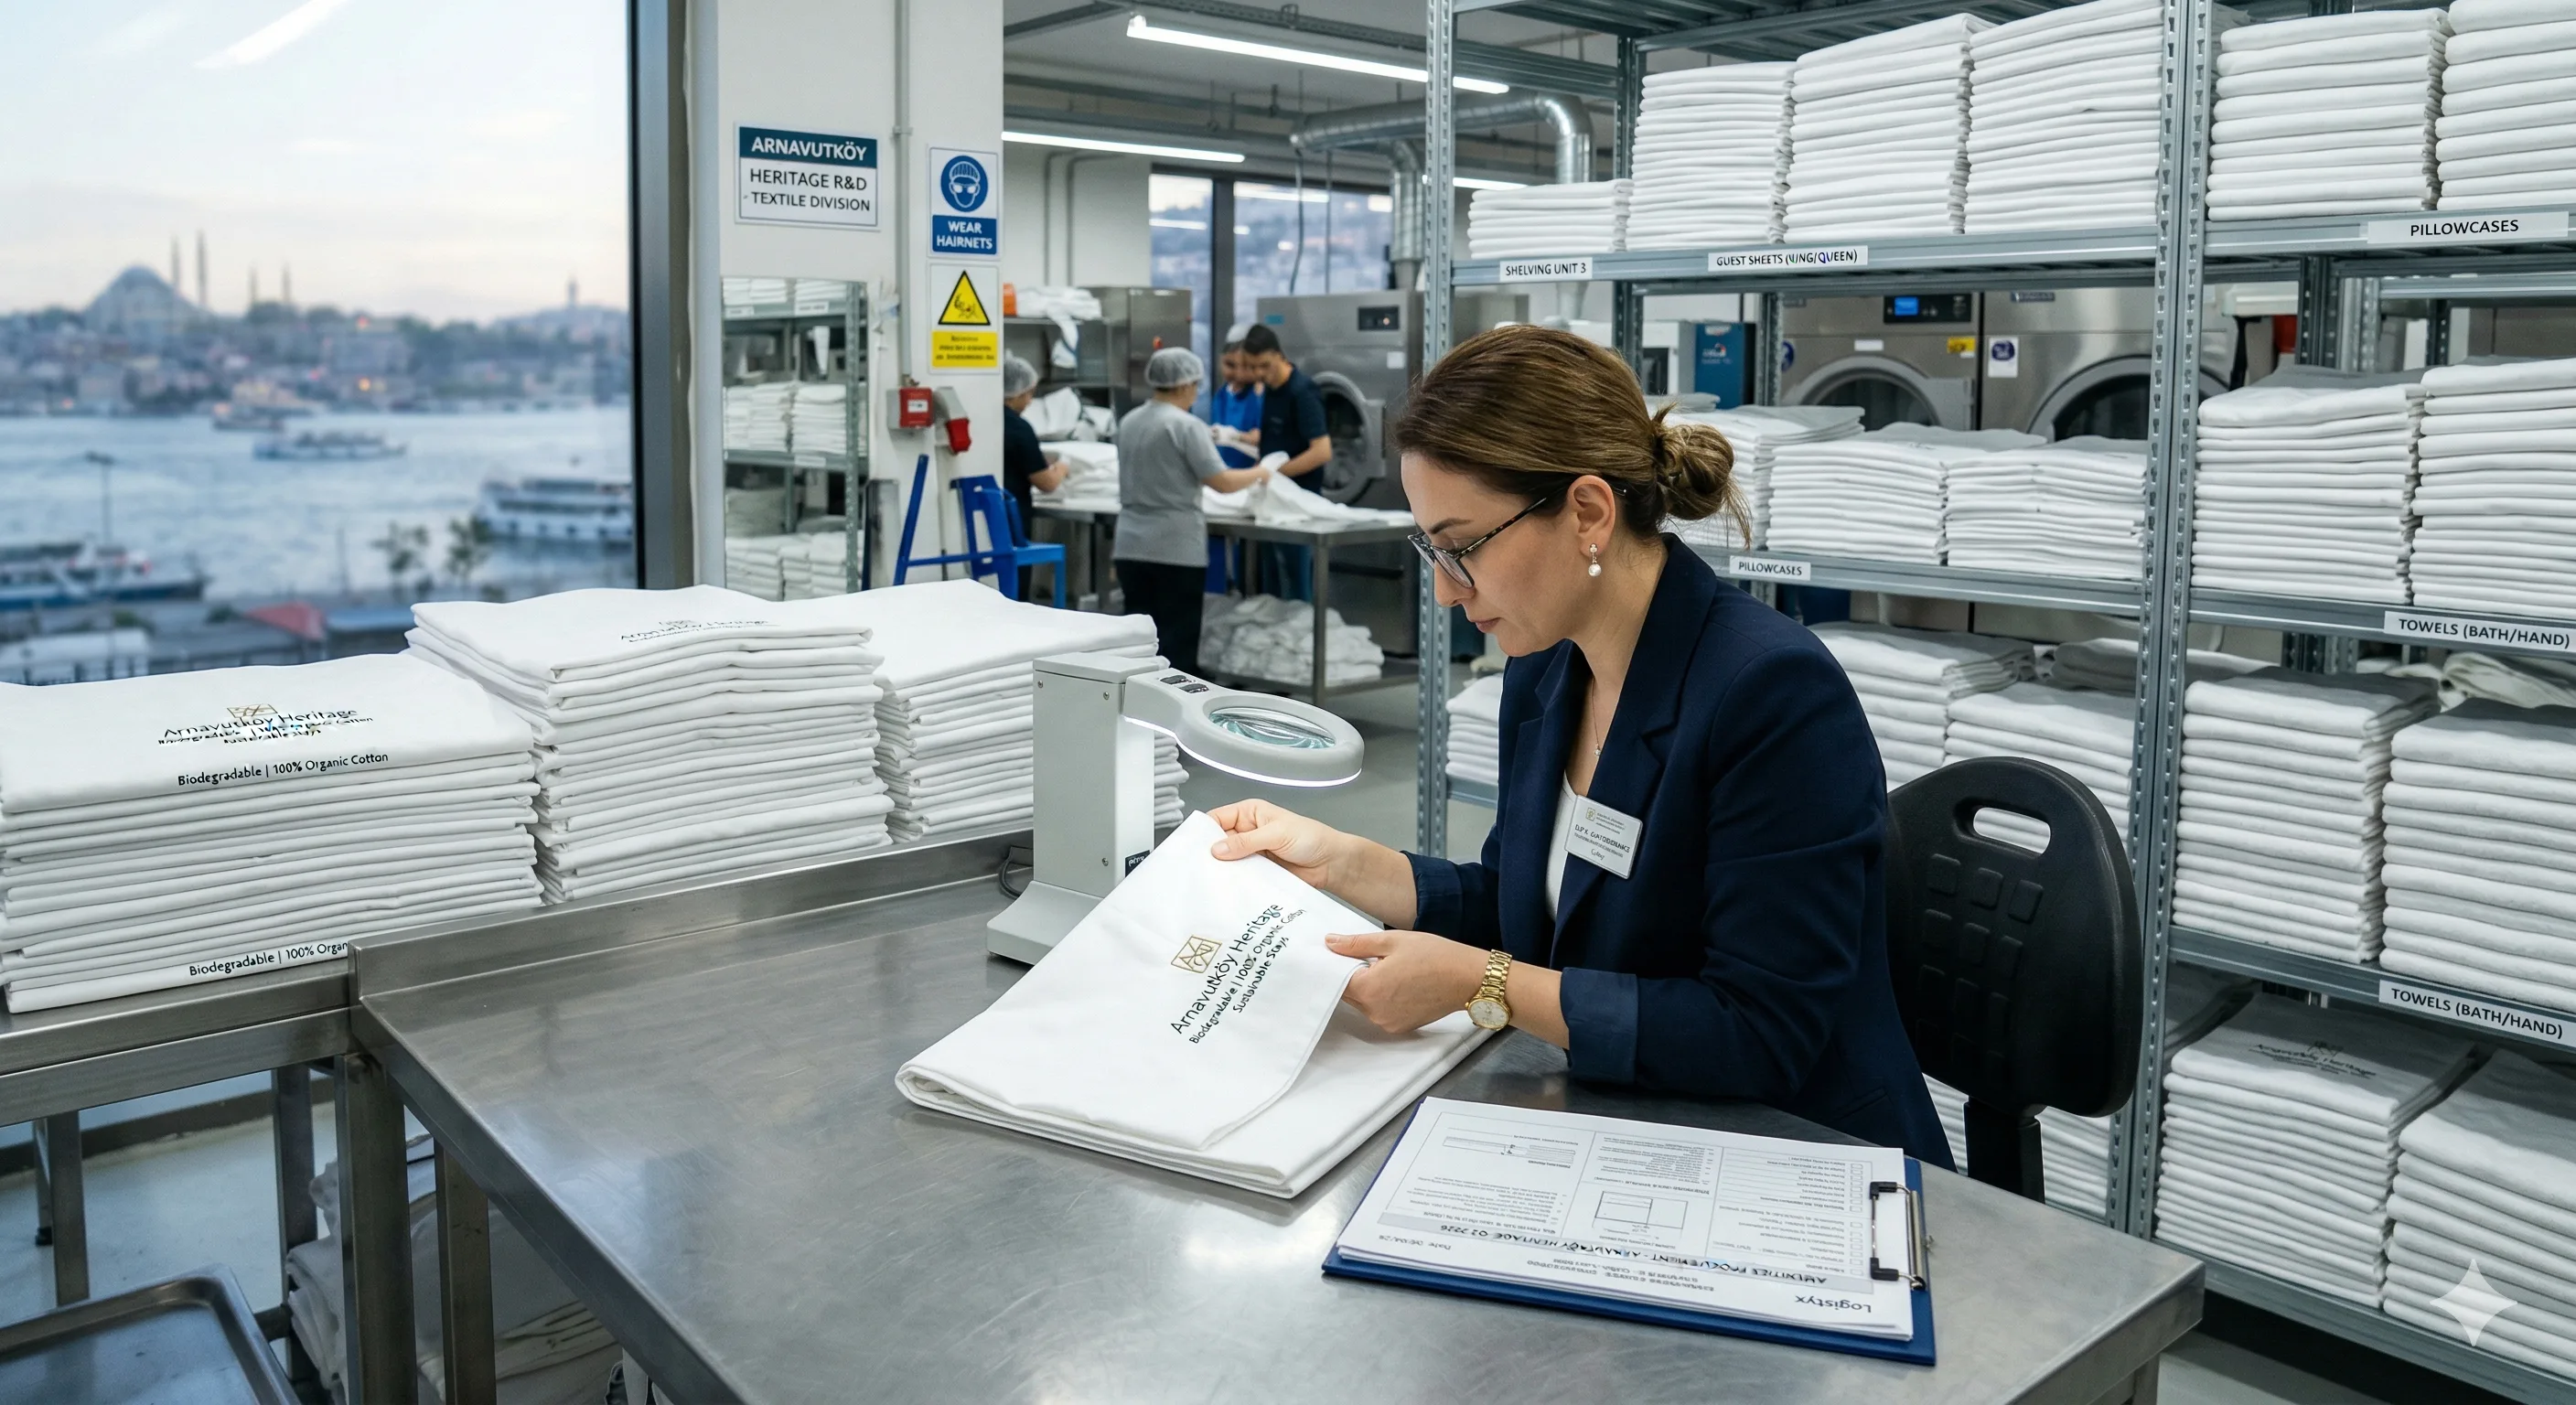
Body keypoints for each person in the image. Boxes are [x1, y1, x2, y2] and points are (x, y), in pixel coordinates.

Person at [1207, 324, 1951, 1167]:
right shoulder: (1547, 671)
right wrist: (1345, 863)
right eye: (1430, 552)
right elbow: (1533, 909)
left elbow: (1759, 1031)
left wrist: (1482, 987)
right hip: (1636, 1122)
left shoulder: (1769, 693)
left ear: (1588, 513)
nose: (1448, 594)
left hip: (1798, 1152)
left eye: (1462, 549)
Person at [1114, 347, 1272, 675]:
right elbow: (1222, 482)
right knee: (1175, 643)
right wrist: (1261, 472)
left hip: (1130, 544)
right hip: (1174, 548)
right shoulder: (1186, 426)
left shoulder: (1129, 421)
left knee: (1138, 644)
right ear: (1186, 385)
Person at [1240, 323, 1329, 601]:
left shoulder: (1302, 391)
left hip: (1298, 504)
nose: (1258, 374)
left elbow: (1322, 451)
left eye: (1264, 366)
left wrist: (1273, 473)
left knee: (1296, 584)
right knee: (1273, 585)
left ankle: (1304, 641)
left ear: (1280, 355)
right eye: (1253, 367)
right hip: (1273, 501)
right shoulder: (1269, 391)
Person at [1000, 354, 1068, 600]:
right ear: (1016, 393)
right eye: (1029, 394)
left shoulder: (984, 419)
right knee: (1016, 591)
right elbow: (1047, 483)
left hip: (985, 524)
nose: (1030, 402)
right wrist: (1062, 467)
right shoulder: (1019, 428)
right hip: (1011, 522)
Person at [1208, 339, 1264, 471]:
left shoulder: (1258, 395)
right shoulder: (1222, 394)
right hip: (1223, 470)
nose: (1236, 372)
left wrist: (1236, 436)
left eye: (1243, 366)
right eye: (1229, 365)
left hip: (1250, 473)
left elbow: (1263, 437)